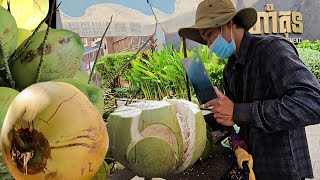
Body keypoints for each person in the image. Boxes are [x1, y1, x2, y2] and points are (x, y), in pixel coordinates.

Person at [178, 0, 320, 179]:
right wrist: (214, 115)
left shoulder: (271, 50)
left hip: (282, 168)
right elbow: (237, 117)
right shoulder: (229, 69)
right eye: (205, 39)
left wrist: (238, 111)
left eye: (209, 35)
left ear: (228, 24)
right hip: (252, 166)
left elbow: (313, 103)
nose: (208, 45)